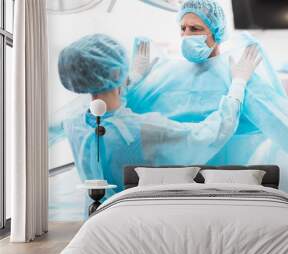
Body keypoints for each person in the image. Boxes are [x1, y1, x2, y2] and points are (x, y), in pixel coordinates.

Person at [126, 0, 288, 210]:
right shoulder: (166, 72)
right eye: (183, 28)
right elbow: (123, 120)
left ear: (216, 32)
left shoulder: (236, 74)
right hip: (170, 190)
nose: (187, 35)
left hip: (227, 191)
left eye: (196, 28)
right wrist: (134, 81)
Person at [49, 33, 261, 197]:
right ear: (116, 73)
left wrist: (132, 78)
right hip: (134, 217)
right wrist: (238, 83)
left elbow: (98, 105)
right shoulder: (142, 129)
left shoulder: (72, 122)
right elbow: (210, 133)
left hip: (95, 216)